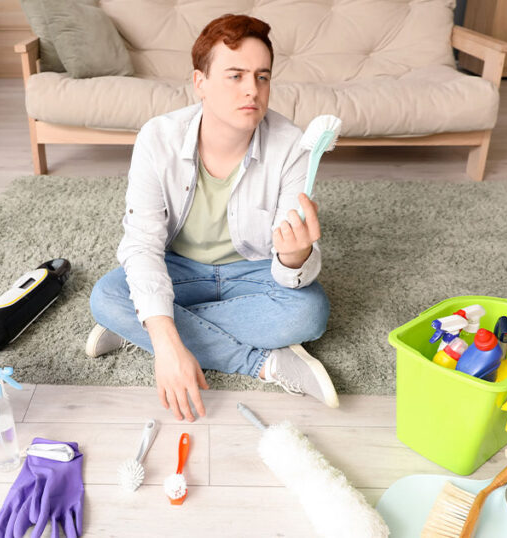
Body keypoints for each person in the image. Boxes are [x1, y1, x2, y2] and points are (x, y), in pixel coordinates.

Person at [87, 14, 337, 422]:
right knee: (107, 295)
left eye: (262, 77)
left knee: (309, 312)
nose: (251, 91)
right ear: (199, 82)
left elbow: (293, 272)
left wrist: (296, 255)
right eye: (235, 76)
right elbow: (142, 244)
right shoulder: (157, 138)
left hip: (254, 270)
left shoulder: (293, 146)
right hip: (180, 268)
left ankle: (139, 326)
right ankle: (264, 364)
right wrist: (168, 347)